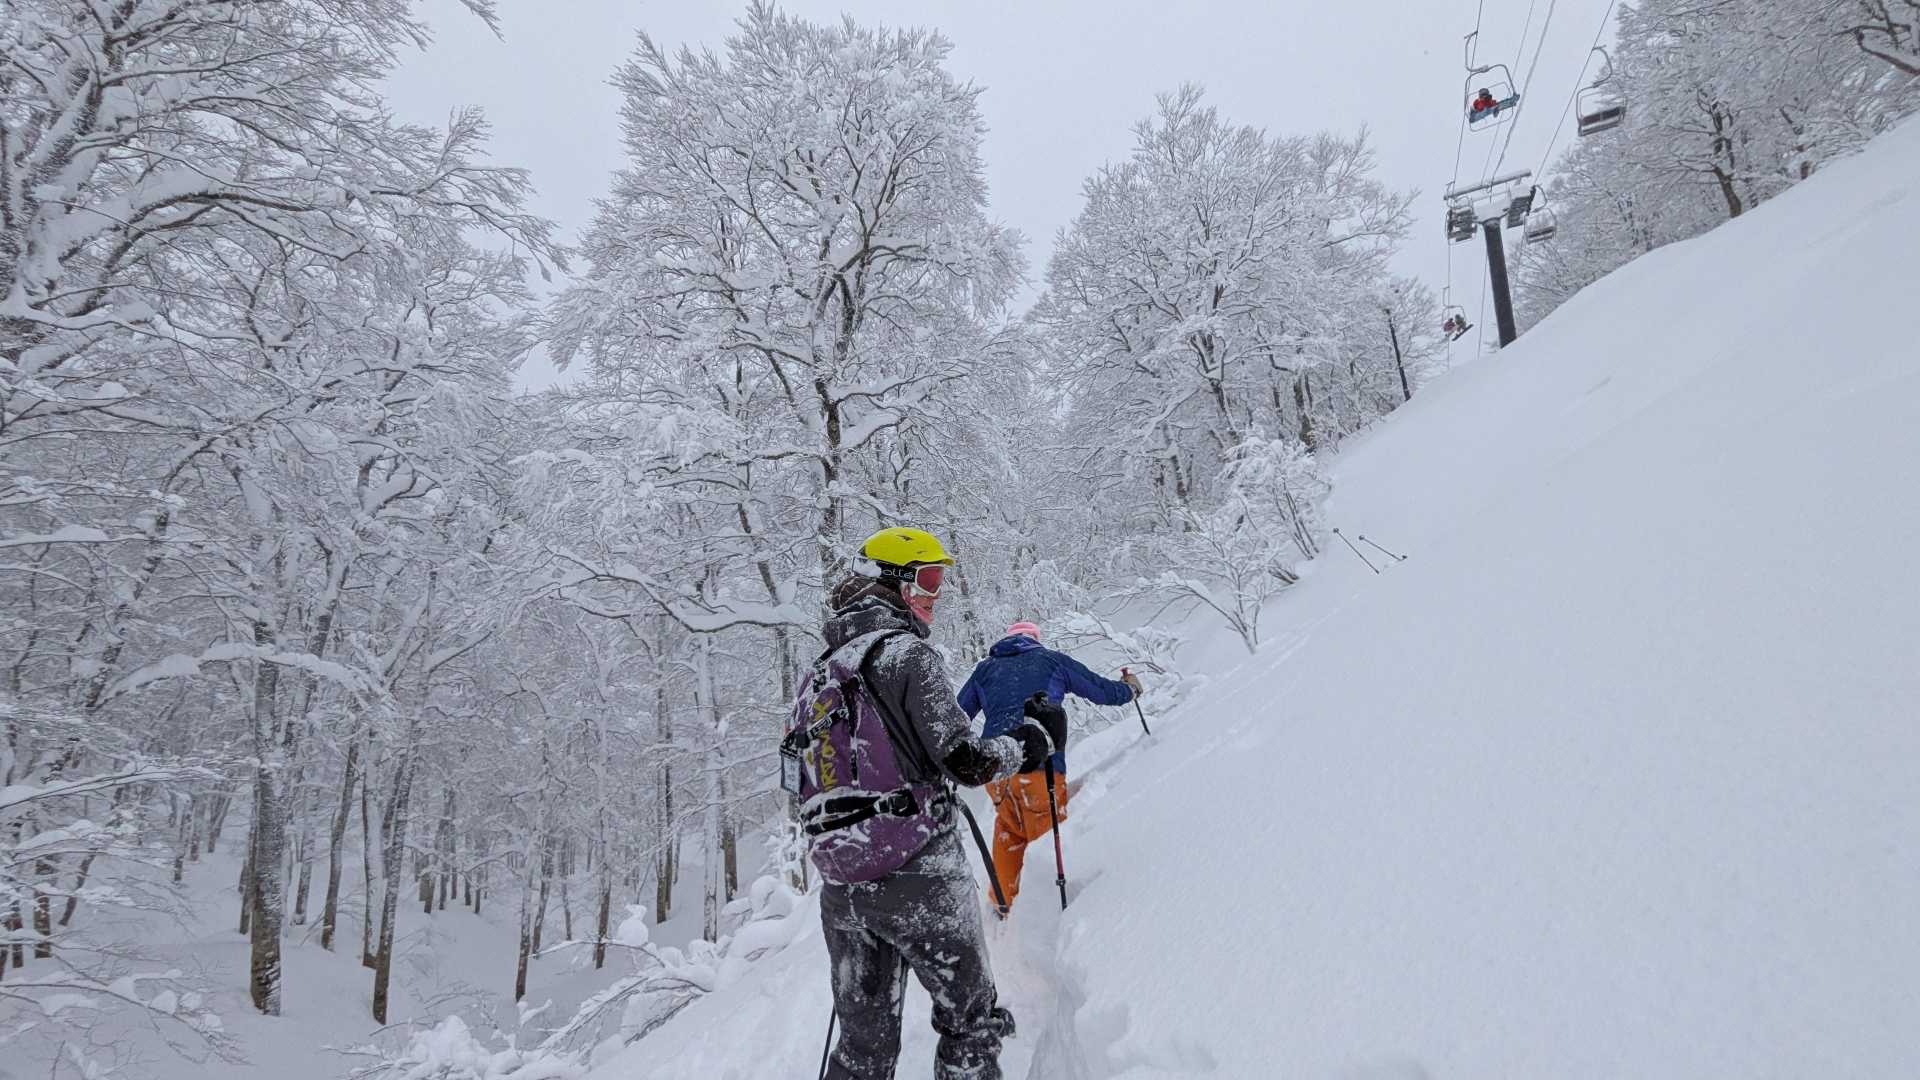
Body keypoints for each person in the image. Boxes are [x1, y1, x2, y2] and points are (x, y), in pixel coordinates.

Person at [798, 527, 1057, 1080]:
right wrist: (1027, 744)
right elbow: (965, 761)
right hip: (919, 873)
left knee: (862, 1049)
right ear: (894, 584)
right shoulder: (906, 655)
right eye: (929, 579)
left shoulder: (819, 674)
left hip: (842, 888)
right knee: (970, 1025)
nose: (937, 594)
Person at [957, 621, 1141, 915]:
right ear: (1035, 640)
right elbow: (1101, 690)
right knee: (1046, 838)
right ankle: (1049, 915)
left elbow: (957, 715)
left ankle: (1002, 906)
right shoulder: (1051, 660)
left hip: (997, 769)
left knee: (1009, 831)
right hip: (1040, 768)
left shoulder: (985, 670)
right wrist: (1129, 689)